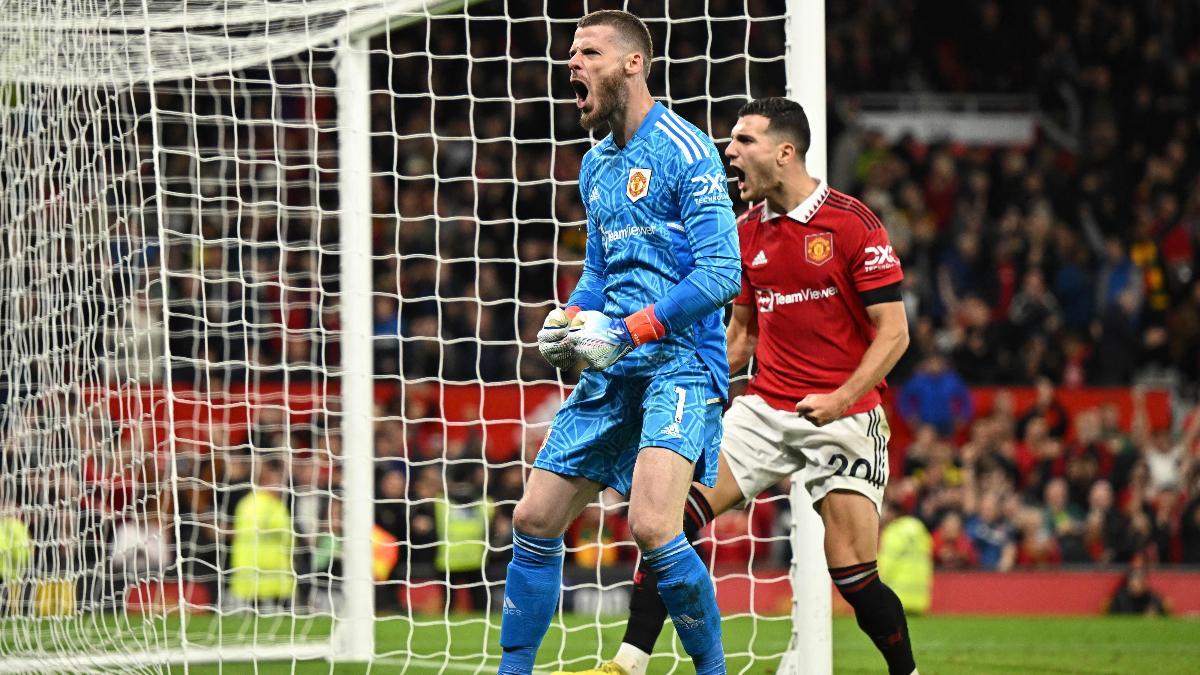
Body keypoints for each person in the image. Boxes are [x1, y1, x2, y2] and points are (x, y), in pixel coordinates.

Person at [559, 97, 917, 675]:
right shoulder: (745, 232)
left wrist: (841, 398)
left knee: (852, 571)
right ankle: (627, 663)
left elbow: (894, 334)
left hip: (847, 416)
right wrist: (698, 399)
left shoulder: (853, 223)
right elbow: (741, 334)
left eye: (743, 141)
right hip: (766, 407)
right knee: (668, 519)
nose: (729, 152)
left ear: (785, 151)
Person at [500, 9, 741, 675]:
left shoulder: (688, 152)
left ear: (633, 63)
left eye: (588, 52)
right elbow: (601, 272)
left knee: (654, 524)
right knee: (535, 516)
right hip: (615, 362)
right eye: (570, 52)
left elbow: (723, 272)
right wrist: (571, 316)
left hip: (681, 364)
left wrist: (630, 328)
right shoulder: (596, 164)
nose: (571, 62)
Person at [229, 456, 294, 610]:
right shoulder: (267, 505)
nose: (281, 487)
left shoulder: (247, 502)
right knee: (279, 615)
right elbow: (283, 533)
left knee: (254, 617)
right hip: (267, 567)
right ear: (266, 482)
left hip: (251, 567)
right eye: (278, 482)